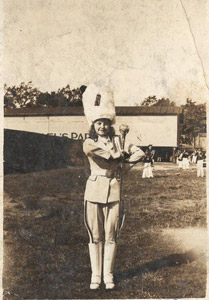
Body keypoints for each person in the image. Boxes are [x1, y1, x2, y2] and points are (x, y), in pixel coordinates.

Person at [82, 83, 145, 290]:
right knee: (95, 234)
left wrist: (125, 163)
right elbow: (97, 153)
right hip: (94, 192)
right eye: (99, 123)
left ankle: (108, 275)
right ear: (94, 125)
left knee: (111, 234)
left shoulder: (119, 140)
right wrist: (117, 155)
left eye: (106, 123)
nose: (102, 126)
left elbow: (139, 153)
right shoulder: (89, 142)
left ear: (110, 125)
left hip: (114, 191)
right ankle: (95, 275)